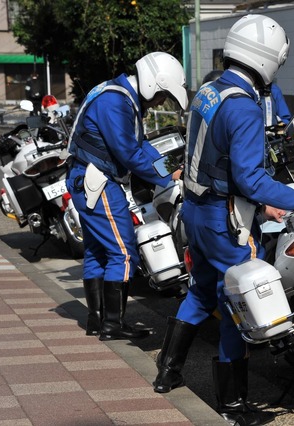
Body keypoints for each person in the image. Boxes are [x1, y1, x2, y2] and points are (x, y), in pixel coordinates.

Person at [152, 14, 294, 426]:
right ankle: (232, 403)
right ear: (268, 59)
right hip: (224, 219)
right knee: (239, 300)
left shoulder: (210, 91)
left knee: (201, 291)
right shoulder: (245, 107)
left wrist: (268, 203)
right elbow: (250, 177)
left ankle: (168, 370)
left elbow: (219, 162)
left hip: (196, 211)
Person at [65, 52, 188, 341]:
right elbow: (129, 152)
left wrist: (169, 167)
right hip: (97, 179)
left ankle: (97, 321)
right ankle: (112, 325)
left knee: (98, 252)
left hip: (87, 177)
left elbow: (139, 145)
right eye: (162, 96)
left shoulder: (121, 96)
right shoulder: (116, 101)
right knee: (123, 252)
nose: (161, 103)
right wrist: (166, 176)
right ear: (151, 85)